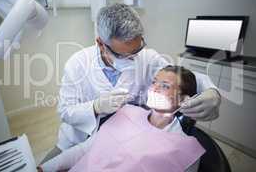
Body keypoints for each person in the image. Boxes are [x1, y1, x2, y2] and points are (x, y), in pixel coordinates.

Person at [41, 3, 221, 163]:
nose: (133, 58)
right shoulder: (77, 64)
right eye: (123, 55)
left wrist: (212, 92)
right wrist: (95, 107)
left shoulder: (146, 58)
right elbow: (65, 111)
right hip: (80, 139)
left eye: (137, 49)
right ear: (101, 44)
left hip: (128, 140)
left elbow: (179, 75)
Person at [38, 66, 205, 172]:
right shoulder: (127, 112)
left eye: (165, 86)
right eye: (154, 82)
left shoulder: (185, 149)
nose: (154, 89)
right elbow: (85, 149)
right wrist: (47, 167)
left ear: (183, 100)